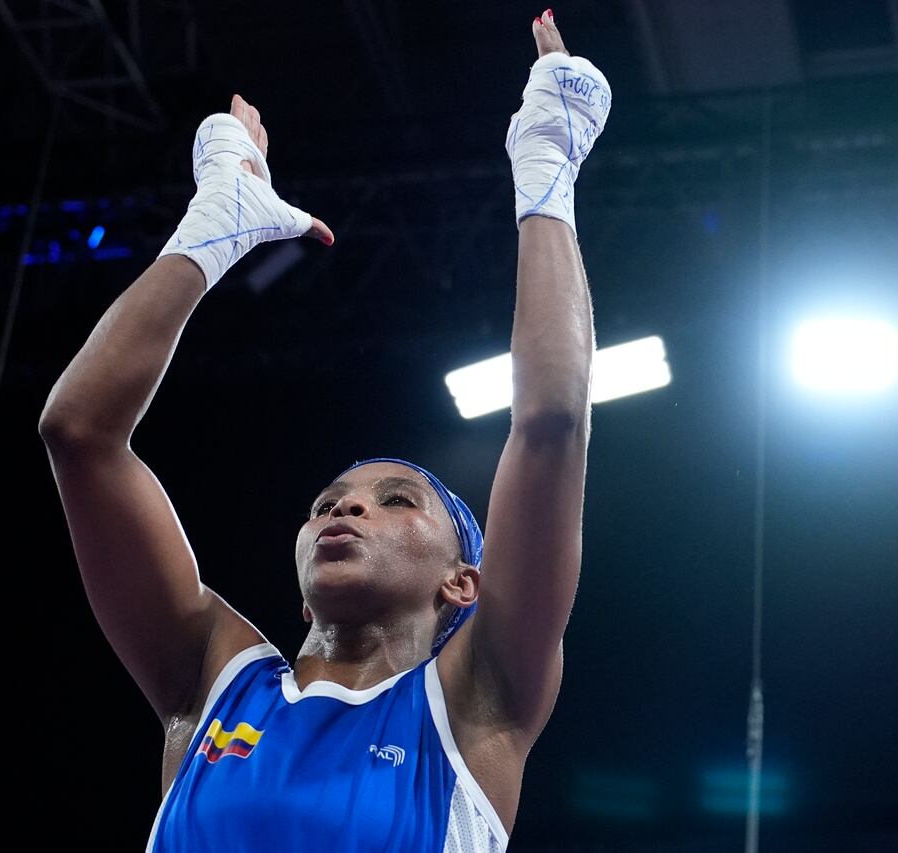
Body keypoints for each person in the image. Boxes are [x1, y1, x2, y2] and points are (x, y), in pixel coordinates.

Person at [37, 9, 610, 851]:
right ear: (301, 578)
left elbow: (553, 420)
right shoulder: (211, 680)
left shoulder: (479, 700)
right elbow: (77, 431)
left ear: (464, 581)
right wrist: (212, 228)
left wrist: (548, 164)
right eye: (328, 502)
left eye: (395, 500)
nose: (345, 511)